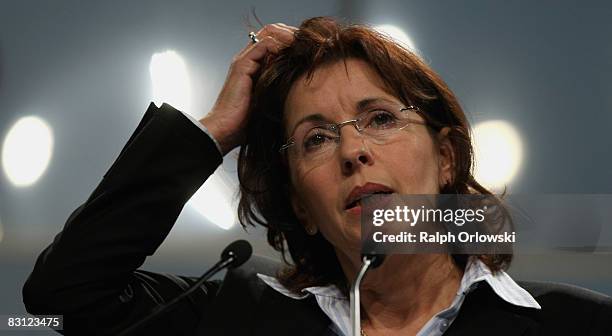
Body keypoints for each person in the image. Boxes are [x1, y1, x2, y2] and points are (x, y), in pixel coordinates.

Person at [23, 17, 612, 336]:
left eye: (380, 119)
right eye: (316, 139)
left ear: (448, 157)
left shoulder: (582, 326)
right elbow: (66, 298)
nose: (352, 151)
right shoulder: (235, 319)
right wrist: (214, 131)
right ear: (302, 206)